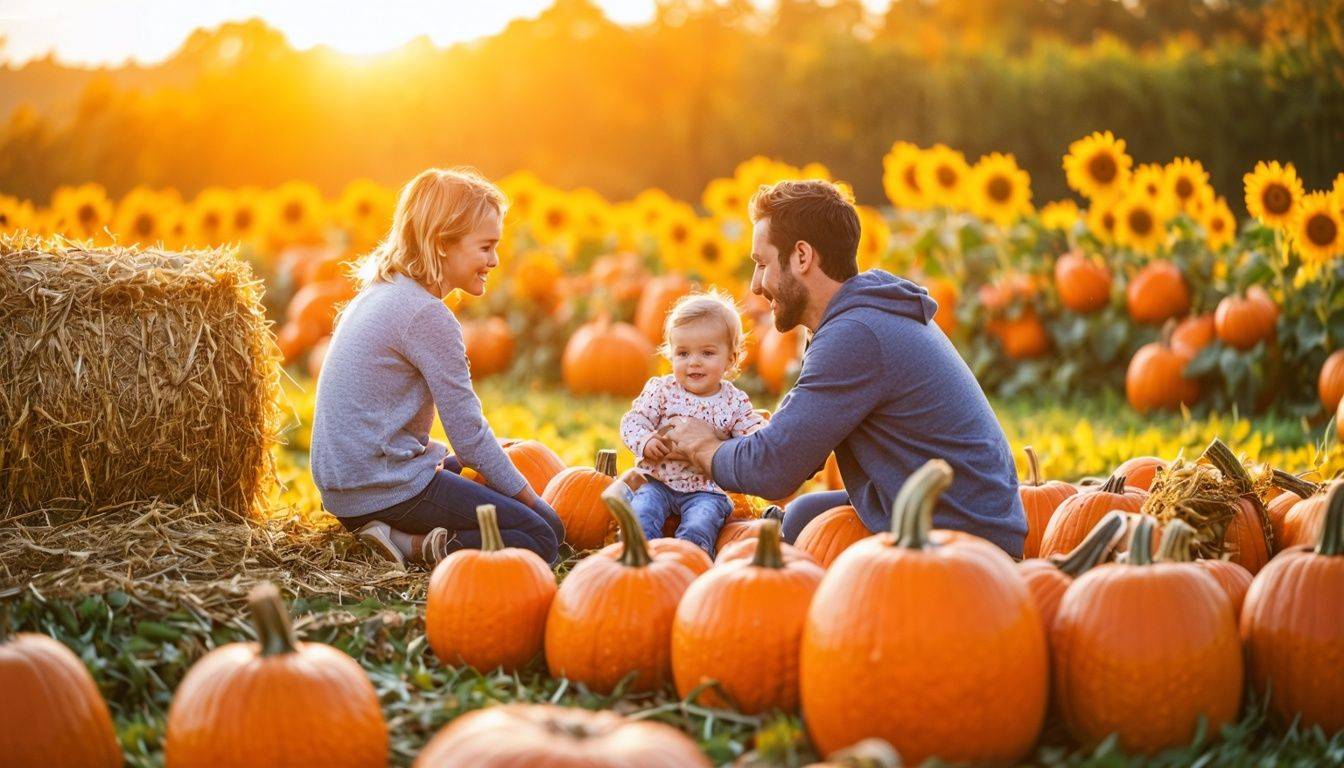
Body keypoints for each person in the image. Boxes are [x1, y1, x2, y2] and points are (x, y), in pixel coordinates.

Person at [664, 179, 1027, 557]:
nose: (756, 285)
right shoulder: (860, 316)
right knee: (804, 514)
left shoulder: (856, 335)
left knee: (789, 548)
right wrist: (755, 436)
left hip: (962, 545)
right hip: (947, 513)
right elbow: (798, 453)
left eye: (762, 264)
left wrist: (701, 444)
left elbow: (775, 470)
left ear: (801, 256)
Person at [309, 168, 563, 568]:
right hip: (383, 489)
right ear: (443, 243)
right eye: (485, 247)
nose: (494, 260)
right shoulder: (427, 316)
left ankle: (387, 532)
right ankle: (414, 545)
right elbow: (468, 436)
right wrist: (530, 498)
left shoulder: (380, 292)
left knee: (484, 478)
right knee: (541, 535)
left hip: (346, 489)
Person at [619, 292, 765, 557]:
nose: (693, 362)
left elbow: (754, 439)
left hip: (706, 490)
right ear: (671, 354)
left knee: (701, 523)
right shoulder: (662, 391)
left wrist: (755, 434)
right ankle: (638, 560)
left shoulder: (734, 402)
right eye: (683, 353)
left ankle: (688, 562)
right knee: (642, 513)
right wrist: (646, 441)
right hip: (658, 482)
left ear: (731, 358)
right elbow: (632, 421)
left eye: (707, 353)